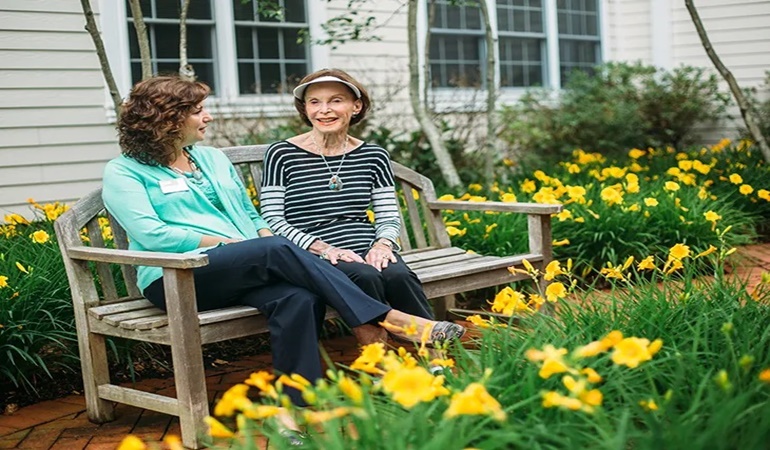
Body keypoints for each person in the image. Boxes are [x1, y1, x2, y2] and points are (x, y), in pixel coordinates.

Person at [102, 76, 464, 443]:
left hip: (244, 267)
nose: (207, 117)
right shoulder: (124, 171)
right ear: (167, 119)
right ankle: (391, 319)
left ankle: (290, 413)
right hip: (178, 276)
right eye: (198, 111)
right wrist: (237, 244)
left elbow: (252, 215)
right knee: (275, 248)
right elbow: (153, 234)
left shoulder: (210, 158)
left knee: (299, 299)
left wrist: (256, 242)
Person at [260, 69, 435, 335]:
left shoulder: (374, 155)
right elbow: (272, 219)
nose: (324, 110)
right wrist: (325, 249)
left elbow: (388, 214)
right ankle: (378, 354)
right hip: (310, 253)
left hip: (365, 245)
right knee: (365, 276)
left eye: (336, 100)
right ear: (305, 108)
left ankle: (433, 350)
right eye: (314, 102)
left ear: (356, 106)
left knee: (398, 275)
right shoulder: (281, 154)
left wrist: (383, 245)